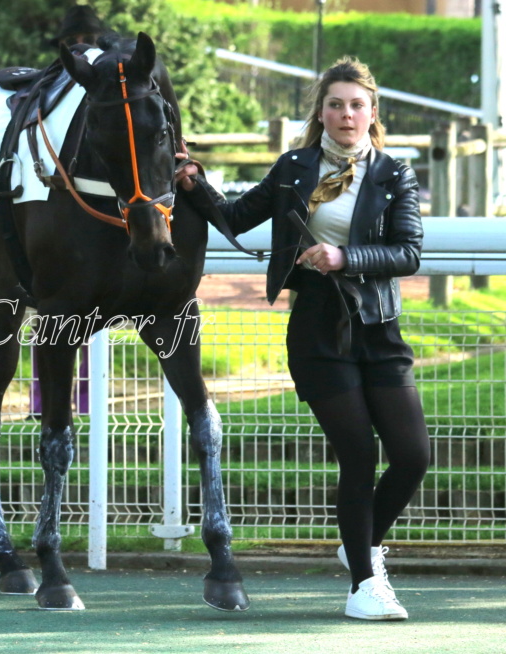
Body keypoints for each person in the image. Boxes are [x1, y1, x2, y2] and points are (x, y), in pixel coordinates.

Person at [176, 56, 430, 621]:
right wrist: (194, 184)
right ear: (321, 111)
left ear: (372, 113)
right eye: (335, 104)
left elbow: (408, 252)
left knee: (413, 456)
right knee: (359, 455)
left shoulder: (393, 173)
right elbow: (235, 217)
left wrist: (345, 257)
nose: (346, 114)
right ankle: (365, 585)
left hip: (379, 328)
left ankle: (359, 544)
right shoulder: (294, 168)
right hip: (317, 327)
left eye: (356, 105)